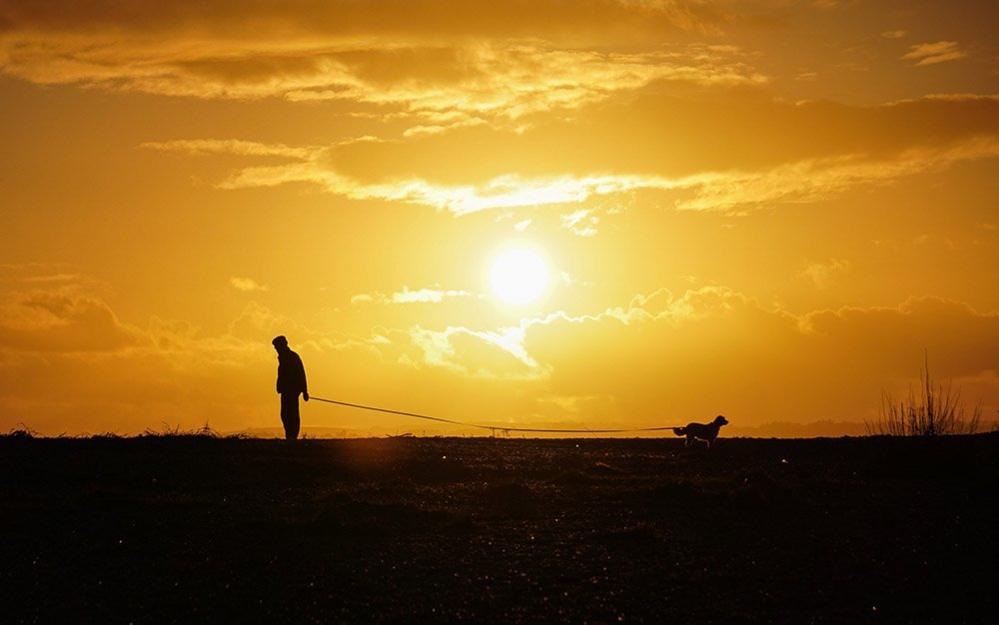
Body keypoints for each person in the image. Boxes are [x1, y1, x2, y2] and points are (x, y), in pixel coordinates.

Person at [272, 335, 308, 440]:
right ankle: (290, 435)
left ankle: (292, 436)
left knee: (291, 414)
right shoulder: (284, 357)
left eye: (276, 347)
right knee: (285, 414)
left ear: (282, 345)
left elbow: (301, 373)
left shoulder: (292, 357)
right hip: (286, 390)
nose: (276, 349)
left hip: (292, 390)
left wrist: (305, 391)